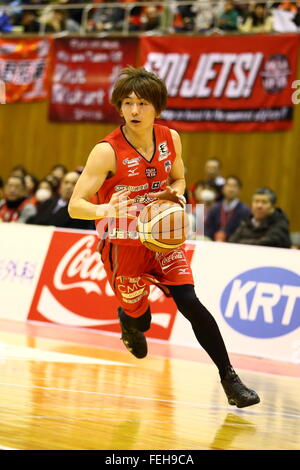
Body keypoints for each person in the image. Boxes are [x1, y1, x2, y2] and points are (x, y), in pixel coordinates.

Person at [68, 66, 260, 409]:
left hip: (164, 238)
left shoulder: (171, 138)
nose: (134, 111)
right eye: (127, 103)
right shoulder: (106, 151)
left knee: (190, 301)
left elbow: (180, 179)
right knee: (142, 317)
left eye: (142, 103)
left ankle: (229, 378)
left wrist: (177, 195)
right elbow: (75, 206)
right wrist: (104, 211)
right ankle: (129, 321)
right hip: (123, 242)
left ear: (157, 107)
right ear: (119, 107)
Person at [27, 171, 94, 230]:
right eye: (66, 182)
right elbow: (36, 221)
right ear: (61, 185)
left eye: (74, 183)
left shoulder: (81, 209)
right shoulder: (48, 202)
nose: (68, 186)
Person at [205, 175, 251, 241]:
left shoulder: (245, 210)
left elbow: (245, 233)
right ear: (223, 189)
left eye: (234, 186)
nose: (231, 189)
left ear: (239, 190)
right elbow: (208, 229)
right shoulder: (215, 208)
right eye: (228, 185)